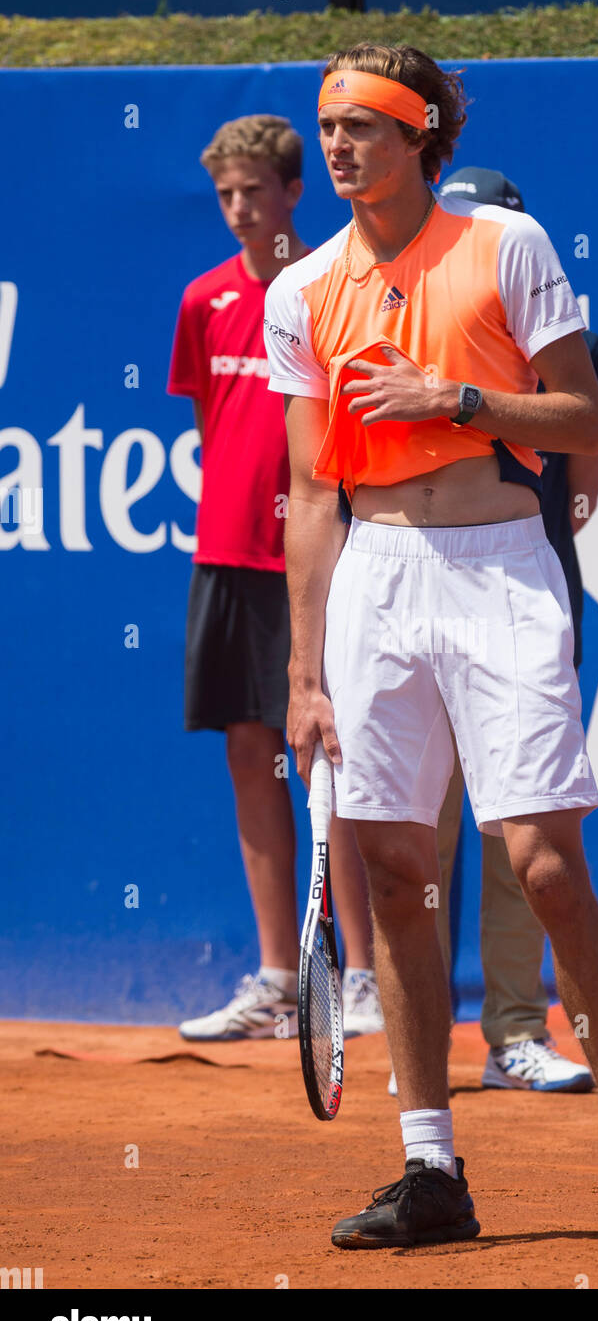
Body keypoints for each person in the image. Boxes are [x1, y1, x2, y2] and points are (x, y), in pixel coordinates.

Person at [265, 46, 598, 1252]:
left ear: (420, 135)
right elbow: (306, 492)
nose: (336, 144)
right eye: (326, 124)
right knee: (394, 875)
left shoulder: (507, 247)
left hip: (501, 565)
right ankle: (430, 1169)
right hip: (373, 581)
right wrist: (304, 671)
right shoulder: (301, 291)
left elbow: (582, 417)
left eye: (361, 124)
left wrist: (456, 401)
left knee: (544, 865)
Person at [405, 166, 598, 1096]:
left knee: (522, 842)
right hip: (413, 612)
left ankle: (514, 1033)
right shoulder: (405, 332)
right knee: (416, 836)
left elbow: (576, 498)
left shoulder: (571, 343)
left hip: (524, 613)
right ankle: (421, 1045)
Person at [167, 114, 382, 1042]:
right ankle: (281, 978)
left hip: (322, 561)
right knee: (251, 756)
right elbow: (218, 436)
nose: (240, 210)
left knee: (343, 767)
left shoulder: (328, 291)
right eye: (225, 195)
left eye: (256, 191)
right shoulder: (203, 301)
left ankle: (366, 979)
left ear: (296, 192)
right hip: (226, 560)